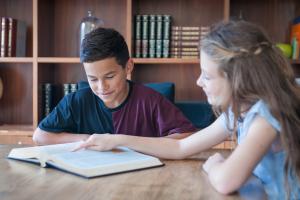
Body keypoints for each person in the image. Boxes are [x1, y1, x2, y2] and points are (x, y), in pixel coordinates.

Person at [74, 20, 300, 198]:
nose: (199, 82)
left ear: (238, 79)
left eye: (208, 76)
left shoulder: (266, 115)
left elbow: (225, 181)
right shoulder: (237, 111)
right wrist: (116, 140)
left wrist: (216, 165)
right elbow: (181, 147)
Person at [32, 27, 197, 145]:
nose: (102, 87)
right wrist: (87, 139)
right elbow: (40, 136)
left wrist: (132, 143)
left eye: (109, 76)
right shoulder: (75, 101)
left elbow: (187, 136)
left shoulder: (150, 101)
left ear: (128, 67)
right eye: (93, 79)